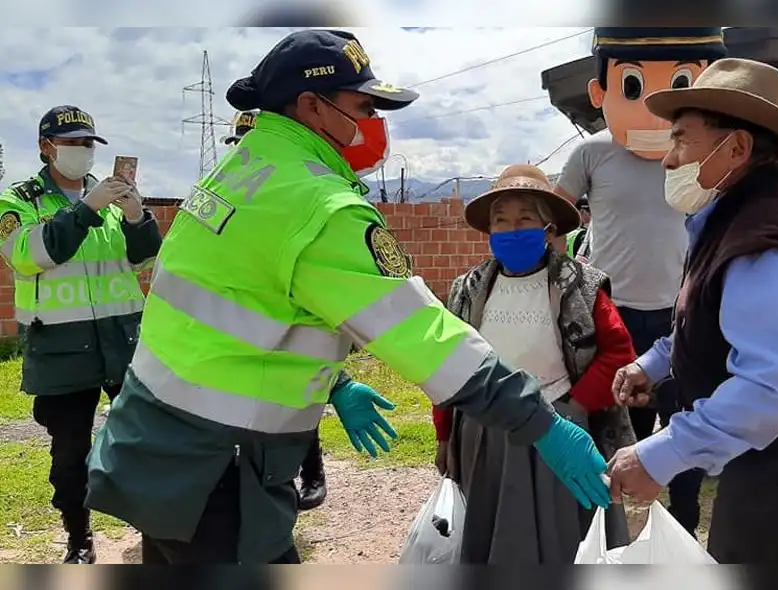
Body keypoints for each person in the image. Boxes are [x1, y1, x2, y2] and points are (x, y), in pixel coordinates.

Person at [85, 29, 610, 565]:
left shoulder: (238, 172)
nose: (376, 125)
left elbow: (246, 305)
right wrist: (542, 423)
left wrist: (334, 382)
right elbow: (424, 335)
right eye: (364, 107)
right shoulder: (321, 207)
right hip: (218, 467)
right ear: (313, 106)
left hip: (156, 440)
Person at [608, 58, 778, 564]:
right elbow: (708, 322)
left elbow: (766, 392)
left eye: (682, 139)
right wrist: (653, 364)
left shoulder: (765, 237)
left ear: (735, 148)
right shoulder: (730, 215)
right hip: (775, 445)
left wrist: (657, 454)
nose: (668, 159)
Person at [551, 27, 726, 537]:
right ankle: (608, 541)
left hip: (683, 318)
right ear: (600, 93)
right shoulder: (593, 154)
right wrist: (560, 286)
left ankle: (682, 535)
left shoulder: (702, 154)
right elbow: (555, 221)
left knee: (685, 435)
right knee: (615, 439)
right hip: (613, 318)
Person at [432, 165, 636, 563]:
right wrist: (444, 436)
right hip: (485, 430)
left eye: (525, 218)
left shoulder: (580, 285)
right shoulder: (467, 291)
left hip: (559, 426)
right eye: (501, 221)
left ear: (548, 228)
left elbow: (618, 353)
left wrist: (575, 410)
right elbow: (445, 367)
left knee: (563, 534)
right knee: (491, 532)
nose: (512, 229)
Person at [0, 105, 162, 563]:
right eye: (71, 143)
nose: (82, 152)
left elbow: (143, 260)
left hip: (122, 340)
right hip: (61, 346)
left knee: (146, 439)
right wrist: (85, 209)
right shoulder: (19, 201)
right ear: (45, 147)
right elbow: (32, 255)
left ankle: (158, 528)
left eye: (88, 143)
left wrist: (135, 216)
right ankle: (79, 537)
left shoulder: (109, 198)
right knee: (70, 453)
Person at [221, 107, 329, 511]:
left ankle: (312, 472)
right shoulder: (225, 191)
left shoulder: (297, 190)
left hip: (291, 310)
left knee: (298, 396)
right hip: (242, 313)